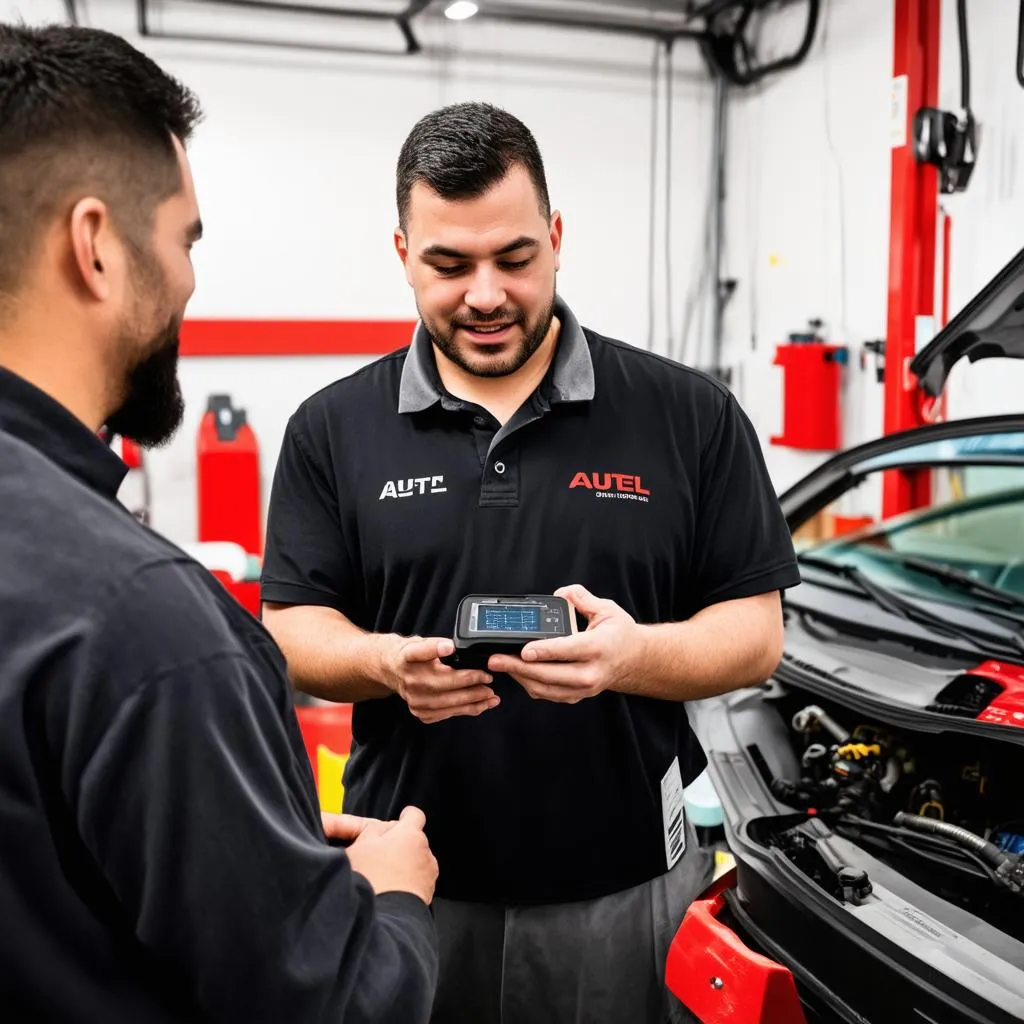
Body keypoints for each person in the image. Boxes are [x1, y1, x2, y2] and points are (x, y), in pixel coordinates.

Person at [261, 101, 800, 1023]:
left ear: (555, 237)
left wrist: (632, 660)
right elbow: (294, 631)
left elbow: (754, 636)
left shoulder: (689, 416)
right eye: (447, 264)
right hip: (406, 881)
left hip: (627, 885)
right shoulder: (331, 429)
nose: (484, 294)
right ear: (401, 254)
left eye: (513, 258)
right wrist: (382, 664)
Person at [0, 23, 440, 1024]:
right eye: (185, 239)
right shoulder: (143, 623)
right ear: (97, 246)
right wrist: (396, 898)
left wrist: (248, 838)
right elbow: (335, 1007)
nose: (194, 278)